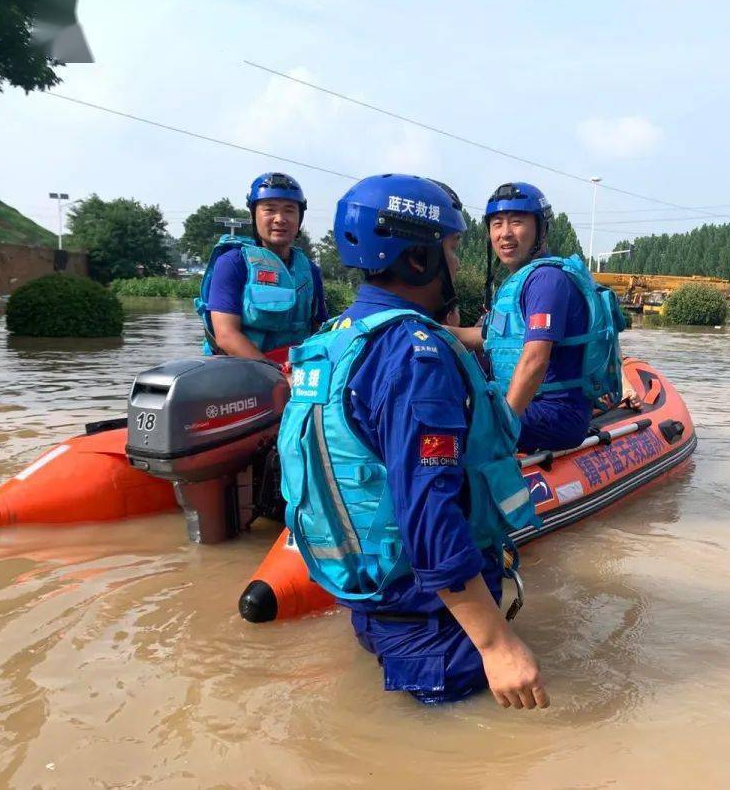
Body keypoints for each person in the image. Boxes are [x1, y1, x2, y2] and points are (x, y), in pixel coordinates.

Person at [278, 174, 548, 709]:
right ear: (419, 259)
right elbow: (428, 511)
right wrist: (497, 644)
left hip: (372, 595)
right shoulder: (414, 355)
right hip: (434, 620)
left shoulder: (335, 336)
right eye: (451, 249)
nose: (457, 264)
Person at [448, 182, 624, 454]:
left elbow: (535, 359)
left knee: (445, 424)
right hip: (531, 407)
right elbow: (485, 338)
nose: (505, 234)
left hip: (555, 413)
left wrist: (501, 426)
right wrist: (425, 328)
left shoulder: (546, 280)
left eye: (517, 222)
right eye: (497, 224)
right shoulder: (522, 280)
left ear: (541, 229)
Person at [194, 172, 328, 364]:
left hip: (296, 375)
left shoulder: (310, 271)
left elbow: (319, 331)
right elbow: (226, 335)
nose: (280, 219)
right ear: (254, 215)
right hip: (240, 373)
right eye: (270, 209)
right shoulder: (233, 263)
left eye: (289, 210)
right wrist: (277, 374)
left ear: (300, 218)